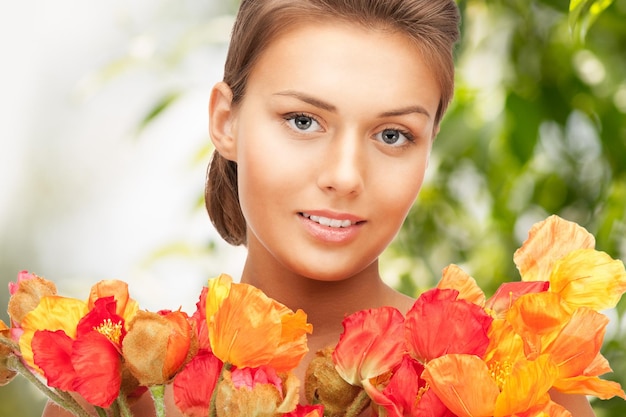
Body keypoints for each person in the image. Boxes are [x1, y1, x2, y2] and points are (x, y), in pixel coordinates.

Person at [43, 0, 596, 416]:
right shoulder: (118, 392)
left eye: (393, 135)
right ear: (225, 122)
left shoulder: (521, 380)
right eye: (303, 121)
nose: (345, 176)